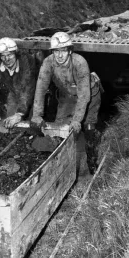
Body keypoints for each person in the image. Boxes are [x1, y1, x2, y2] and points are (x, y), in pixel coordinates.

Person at [31, 32, 102, 174]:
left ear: (70, 51)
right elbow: (40, 89)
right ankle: (61, 169)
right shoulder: (48, 63)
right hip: (67, 95)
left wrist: (77, 120)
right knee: (60, 130)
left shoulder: (79, 62)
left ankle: (92, 161)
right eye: (56, 51)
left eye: (63, 50)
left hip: (90, 94)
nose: (60, 55)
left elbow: (84, 96)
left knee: (88, 128)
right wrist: (37, 114)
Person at [0, 37, 36, 129]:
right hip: (15, 93)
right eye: (3, 55)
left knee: (32, 125)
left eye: (10, 55)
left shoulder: (26, 62)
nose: (6, 59)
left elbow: (26, 88)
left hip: (33, 95)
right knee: (9, 123)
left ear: (16, 54)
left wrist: (19, 113)